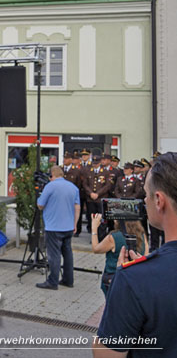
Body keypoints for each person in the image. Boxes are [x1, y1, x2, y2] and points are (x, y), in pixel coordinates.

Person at [94, 152, 177, 356]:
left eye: (145, 195)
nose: (144, 202)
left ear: (158, 200)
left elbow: (106, 354)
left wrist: (134, 283)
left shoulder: (134, 279)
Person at [35, 165, 80, 290]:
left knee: (54, 255)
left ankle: (52, 281)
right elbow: (77, 207)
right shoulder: (73, 187)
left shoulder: (50, 186)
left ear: (52, 175)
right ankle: (68, 279)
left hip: (54, 226)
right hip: (68, 226)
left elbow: (40, 205)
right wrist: (75, 224)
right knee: (68, 253)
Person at [90, 213, 148, 298]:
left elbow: (96, 249)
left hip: (113, 279)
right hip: (135, 279)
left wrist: (94, 228)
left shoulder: (114, 237)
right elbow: (145, 256)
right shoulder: (142, 235)